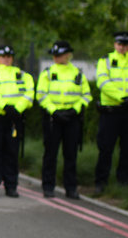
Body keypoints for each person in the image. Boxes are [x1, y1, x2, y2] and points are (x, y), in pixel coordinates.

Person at [93, 31, 128, 194]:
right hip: (111, 111)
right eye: (120, 44)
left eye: (126, 45)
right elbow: (103, 82)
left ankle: (124, 182)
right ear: (115, 44)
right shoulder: (105, 61)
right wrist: (121, 98)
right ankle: (101, 182)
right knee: (105, 148)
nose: (122, 48)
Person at [35, 41, 91, 199]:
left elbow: (86, 95)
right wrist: (54, 111)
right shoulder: (47, 72)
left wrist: (75, 109)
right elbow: (41, 94)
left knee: (71, 154)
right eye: (54, 55)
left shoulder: (77, 73)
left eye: (59, 55)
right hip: (53, 118)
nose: (56, 58)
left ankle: (71, 188)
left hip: (72, 118)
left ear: (68, 55)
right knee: (50, 154)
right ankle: (48, 186)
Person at [0, 45, 34, 197]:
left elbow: (29, 94)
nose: (6, 59)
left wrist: (18, 108)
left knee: (12, 153)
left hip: (14, 119)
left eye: (9, 57)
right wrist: (5, 106)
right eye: (3, 56)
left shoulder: (22, 75)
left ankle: (11, 186)